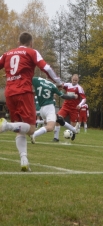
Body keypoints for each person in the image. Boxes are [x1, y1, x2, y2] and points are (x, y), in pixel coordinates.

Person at [0, 32, 62, 171]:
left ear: (18, 42)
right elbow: (45, 67)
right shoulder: (31, 52)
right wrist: (58, 82)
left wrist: (10, 74)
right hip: (24, 92)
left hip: (10, 93)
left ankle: (24, 159)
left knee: (20, 129)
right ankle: (6, 126)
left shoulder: (8, 54)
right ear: (31, 43)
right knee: (31, 129)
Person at [30, 77, 79, 144]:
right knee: (50, 127)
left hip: (42, 109)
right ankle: (34, 134)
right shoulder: (52, 86)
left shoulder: (37, 80)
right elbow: (63, 96)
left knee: (58, 119)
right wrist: (73, 96)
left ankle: (74, 130)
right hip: (49, 108)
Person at [53, 74, 86, 142]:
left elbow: (84, 99)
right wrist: (56, 92)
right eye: (73, 80)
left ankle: (73, 132)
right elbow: (59, 86)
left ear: (78, 80)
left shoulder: (79, 88)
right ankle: (56, 138)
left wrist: (80, 104)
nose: (74, 81)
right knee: (58, 119)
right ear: (71, 79)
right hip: (66, 106)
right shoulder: (67, 85)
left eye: (76, 80)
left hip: (74, 108)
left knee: (72, 125)